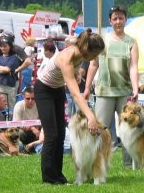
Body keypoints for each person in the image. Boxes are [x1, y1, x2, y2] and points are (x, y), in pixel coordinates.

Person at [35, 29, 105, 184]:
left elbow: (72, 40)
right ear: (87, 50)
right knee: (51, 135)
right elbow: (75, 94)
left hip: (57, 89)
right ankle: (49, 178)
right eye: (95, 54)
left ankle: (58, 176)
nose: (95, 58)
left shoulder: (80, 49)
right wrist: (91, 117)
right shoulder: (67, 58)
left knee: (60, 133)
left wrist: (77, 72)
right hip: (44, 90)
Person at [83, 5, 139, 168]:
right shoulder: (102, 40)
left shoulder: (132, 42)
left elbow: (134, 66)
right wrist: (87, 88)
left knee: (129, 129)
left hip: (124, 92)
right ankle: (98, 163)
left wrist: (135, 87)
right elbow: (93, 65)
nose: (118, 21)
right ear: (110, 21)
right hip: (104, 91)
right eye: (115, 18)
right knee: (99, 129)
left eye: (121, 18)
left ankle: (130, 165)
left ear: (125, 20)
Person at [0, 33, 21, 113]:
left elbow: (7, 69)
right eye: (1, 46)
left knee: (9, 106)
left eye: (5, 46)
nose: (3, 48)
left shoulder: (14, 58)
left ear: (10, 46)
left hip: (8, 86)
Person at [12, 86, 42, 151]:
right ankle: (23, 147)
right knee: (20, 133)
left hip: (35, 131)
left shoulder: (39, 105)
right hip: (21, 131)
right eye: (28, 98)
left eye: (33, 98)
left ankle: (33, 147)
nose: (30, 101)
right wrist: (32, 128)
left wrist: (37, 129)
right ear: (23, 97)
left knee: (41, 132)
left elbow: (42, 122)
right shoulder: (19, 105)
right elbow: (16, 124)